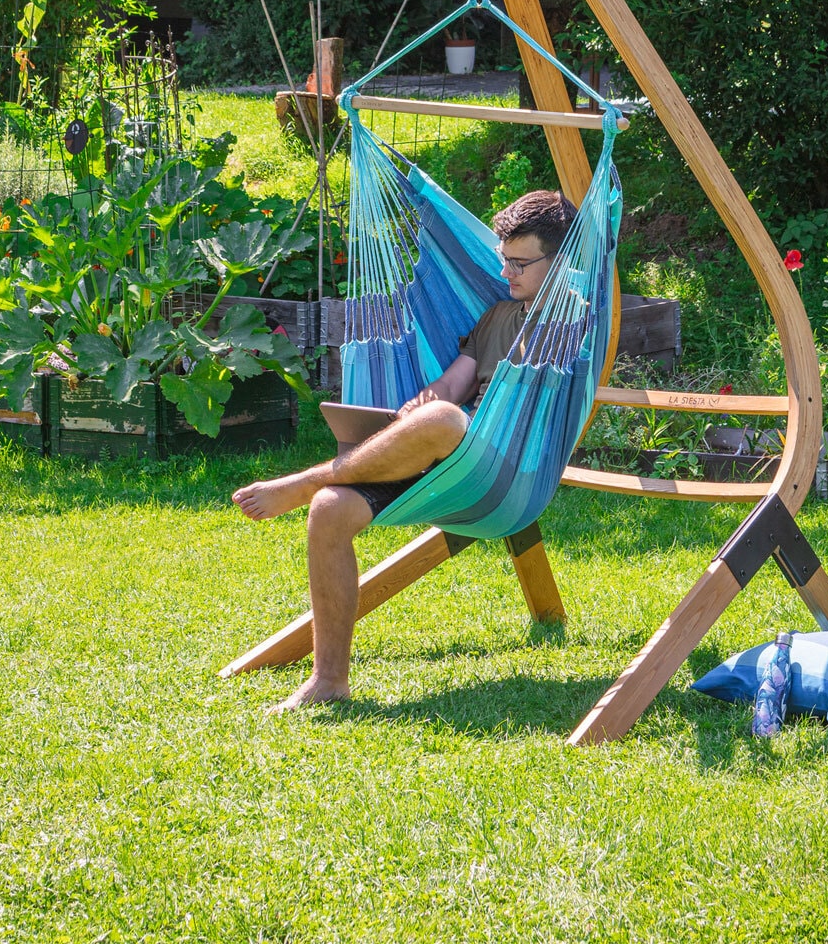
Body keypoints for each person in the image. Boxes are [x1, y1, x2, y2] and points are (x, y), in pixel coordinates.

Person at [231, 189, 578, 711]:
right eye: (504, 260)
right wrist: (414, 412)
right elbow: (451, 387)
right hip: (446, 459)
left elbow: (475, 412)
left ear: (564, 259)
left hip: (504, 469)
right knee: (331, 509)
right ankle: (329, 681)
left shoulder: (578, 324)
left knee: (438, 423)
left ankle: (304, 482)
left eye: (521, 263)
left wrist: (435, 418)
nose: (508, 273)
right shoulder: (497, 317)